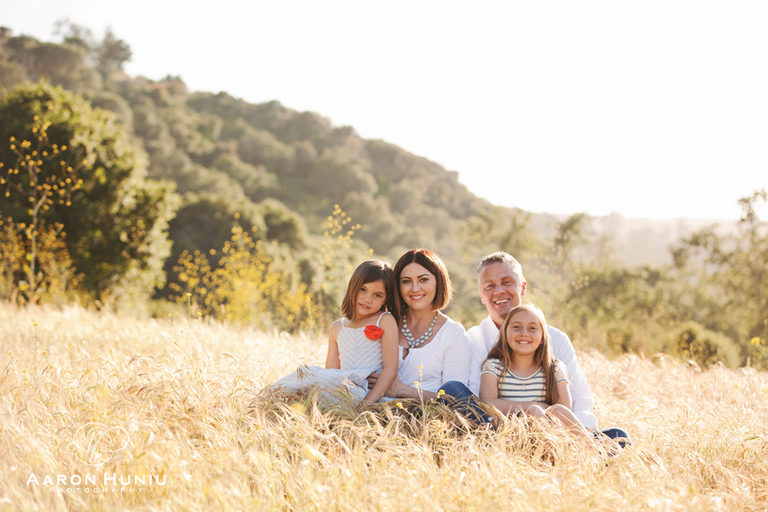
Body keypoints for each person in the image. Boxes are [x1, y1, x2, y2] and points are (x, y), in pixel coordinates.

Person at [454, 251, 629, 442]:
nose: (499, 291)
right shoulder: (473, 339)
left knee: (619, 437)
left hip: (557, 430)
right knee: (454, 390)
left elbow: (579, 398)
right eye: (490, 286)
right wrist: (531, 409)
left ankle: (586, 450)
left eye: (507, 282)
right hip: (500, 430)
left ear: (522, 287)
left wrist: (579, 436)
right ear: (481, 295)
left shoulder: (556, 339)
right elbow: (480, 401)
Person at [271, 260, 399, 405]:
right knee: (306, 373)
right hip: (344, 388)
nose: (367, 299)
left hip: (369, 391)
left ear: (386, 299)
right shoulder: (337, 327)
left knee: (335, 394)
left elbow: (391, 368)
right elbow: (331, 374)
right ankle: (273, 397)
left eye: (377, 295)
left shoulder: (384, 320)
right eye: (363, 290)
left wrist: (367, 403)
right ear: (353, 287)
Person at [366, 249, 471, 401]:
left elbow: (455, 400)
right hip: (377, 412)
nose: (415, 289)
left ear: (438, 282)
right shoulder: (384, 321)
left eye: (423, 280)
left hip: (430, 417)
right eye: (406, 281)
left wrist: (402, 390)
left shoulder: (453, 334)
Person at [480, 304, 589, 436]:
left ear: (542, 337)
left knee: (558, 410)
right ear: (505, 333)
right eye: (516, 327)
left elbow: (565, 412)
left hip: (554, 432)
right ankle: (545, 449)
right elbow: (487, 404)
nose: (524, 333)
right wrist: (532, 406)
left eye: (532, 328)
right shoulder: (494, 366)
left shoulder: (555, 369)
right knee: (534, 411)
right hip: (513, 433)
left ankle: (591, 448)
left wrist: (539, 410)